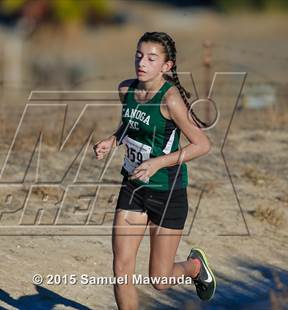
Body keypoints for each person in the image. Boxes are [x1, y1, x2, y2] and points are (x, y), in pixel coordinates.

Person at [93, 32, 216, 309]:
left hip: (167, 191)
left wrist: (158, 162)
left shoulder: (170, 100)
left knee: (160, 280)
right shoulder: (126, 89)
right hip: (133, 187)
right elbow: (131, 125)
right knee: (122, 268)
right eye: (139, 55)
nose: (142, 62)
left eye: (151, 58)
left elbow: (202, 145)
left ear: (166, 66)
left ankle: (195, 267)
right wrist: (112, 140)